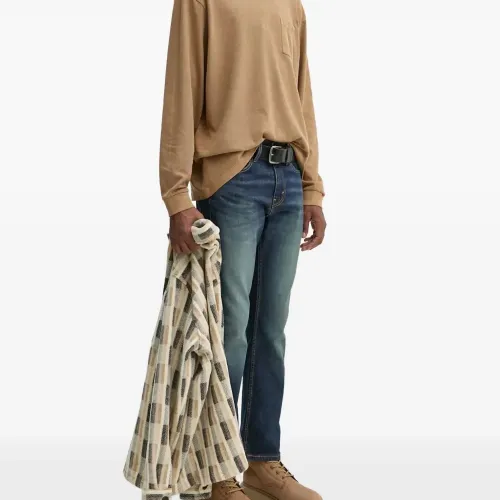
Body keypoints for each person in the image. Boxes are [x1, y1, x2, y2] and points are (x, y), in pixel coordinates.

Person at [159, 0, 326, 498]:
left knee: (270, 333)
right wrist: (176, 195)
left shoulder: (290, 4)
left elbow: (302, 94)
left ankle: (261, 460)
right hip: (231, 178)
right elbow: (181, 88)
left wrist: (312, 187)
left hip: (287, 177)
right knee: (228, 334)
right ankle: (215, 470)